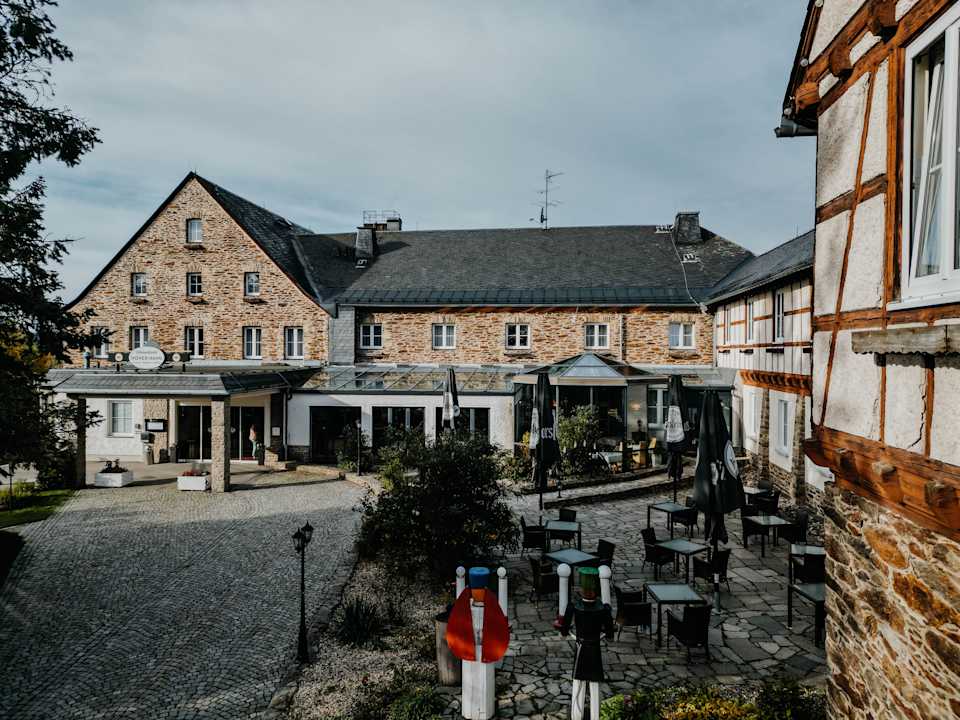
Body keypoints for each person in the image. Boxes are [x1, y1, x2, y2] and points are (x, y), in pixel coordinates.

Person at [557, 566, 614, 720]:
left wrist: (565, 632)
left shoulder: (573, 606)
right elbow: (609, 633)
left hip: (580, 647)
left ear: (581, 588)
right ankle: (596, 716)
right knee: (595, 685)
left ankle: (577, 716)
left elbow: (564, 629)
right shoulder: (604, 609)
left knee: (578, 684)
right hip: (594, 648)